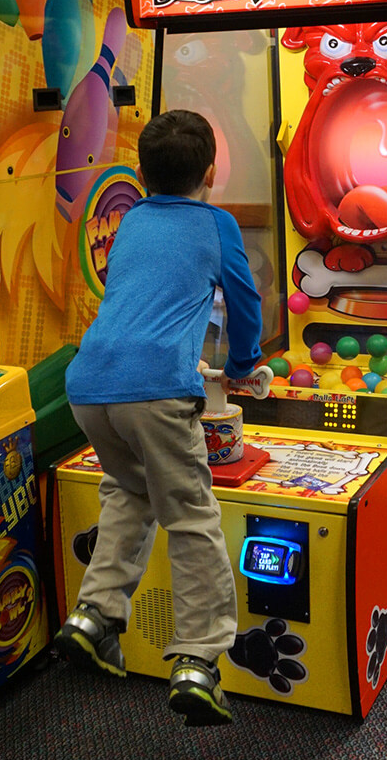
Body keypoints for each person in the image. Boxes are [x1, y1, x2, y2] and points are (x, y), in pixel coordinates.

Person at [54, 108, 262, 726]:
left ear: (140, 173)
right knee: (192, 517)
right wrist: (247, 360)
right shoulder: (216, 224)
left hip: (88, 386)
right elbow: (244, 300)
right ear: (211, 172)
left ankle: (94, 614)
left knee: (129, 488)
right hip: (155, 391)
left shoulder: (132, 221)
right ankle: (199, 660)